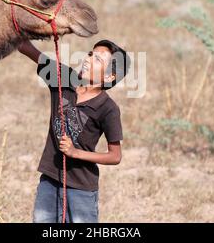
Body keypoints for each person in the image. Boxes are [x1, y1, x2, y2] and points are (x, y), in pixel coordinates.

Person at [17, 38, 131, 223]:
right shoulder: (64, 79)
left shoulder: (108, 108)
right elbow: (25, 46)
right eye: (91, 54)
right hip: (50, 179)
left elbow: (115, 156)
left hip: (81, 189)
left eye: (98, 60)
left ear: (110, 77)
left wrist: (75, 152)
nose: (88, 59)